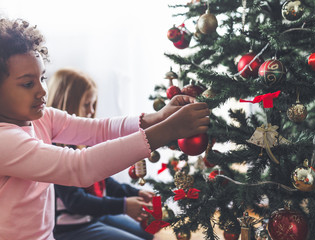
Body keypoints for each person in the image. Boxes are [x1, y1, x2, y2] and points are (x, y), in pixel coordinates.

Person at [0, 17, 210, 240]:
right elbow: (79, 167)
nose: (42, 90)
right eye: (27, 83)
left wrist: (158, 117)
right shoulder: (6, 141)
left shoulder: (42, 118)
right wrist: (168, 130)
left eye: (42, 78)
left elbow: (99, 129)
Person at [47, 68, 154, 240]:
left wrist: (133, 193)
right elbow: (75, 202)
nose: (91, 111)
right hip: (71, 228)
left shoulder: (83, 142)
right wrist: (124, 206)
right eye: (86, 105)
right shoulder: (55, 148)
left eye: (93, 104)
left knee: (147, 234)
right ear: (67, 104)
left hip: (95, 215)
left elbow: (103, 181)